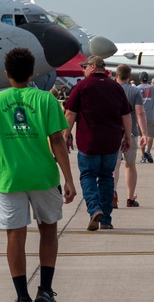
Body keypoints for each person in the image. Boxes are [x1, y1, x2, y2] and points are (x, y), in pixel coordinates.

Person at [0, 48, 76, 302]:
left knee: (15, 235)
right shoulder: (47, 100)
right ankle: (45, 289)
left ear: (7, 73)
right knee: (49, 230)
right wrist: (68, 179)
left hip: (10, 179)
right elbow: (57, 140)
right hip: (43, 176)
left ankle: (22, 295)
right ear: (32, 73)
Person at [63, 55, 132, 231]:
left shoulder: (82, 86)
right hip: (111, 143)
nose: (82, 69)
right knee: (106, 177)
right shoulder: (116, 87)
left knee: (87, 176)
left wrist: (65, 135)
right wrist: (128, 137)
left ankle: (94, 209)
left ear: (93, 67)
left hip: (89, 143)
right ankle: (106, 220)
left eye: (85, 66)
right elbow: (126, 115)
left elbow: (70, 113)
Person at [113, 64, 148, 208]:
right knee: (130, 165)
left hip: (113, 134)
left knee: (114, 166)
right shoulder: (134, 91)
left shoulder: (111, 89)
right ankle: (130, 198)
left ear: (116, 75)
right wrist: (144, 133)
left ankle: (113, 193)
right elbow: (140, 113)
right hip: (131, 133)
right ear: (129, 76)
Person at [136, 72, 154, 162]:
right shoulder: (153, 88)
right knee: (150, 135)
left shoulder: (136, 88)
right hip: (150, 115)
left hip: (139, 116)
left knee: (141, 135)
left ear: (140, 79)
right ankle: (148, 151)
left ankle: (143, 156)